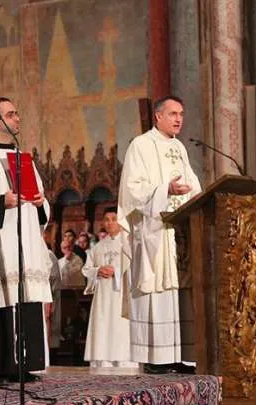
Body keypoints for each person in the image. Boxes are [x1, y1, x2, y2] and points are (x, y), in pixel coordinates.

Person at [0, 97, 53, 384]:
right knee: (0, 300)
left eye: (17, 114)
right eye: (11, 114)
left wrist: (40, 203)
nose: (18, 119)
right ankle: (0, 367)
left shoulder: (22, 157)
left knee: (26, 297)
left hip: (25, 241)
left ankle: (26, 363)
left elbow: (41, 204)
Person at [117, 95, 201, 374]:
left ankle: (181, 355)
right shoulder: (140, 145)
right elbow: (132, 189)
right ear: (158, 116)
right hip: (155, 233)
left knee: (179, 294)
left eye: (182, 114)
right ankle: (156, 358)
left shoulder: (179, 148)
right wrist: (165, 190)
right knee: (158, 292)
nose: (179, 119)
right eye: (173, 113)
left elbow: (193, 186)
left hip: (181, 233)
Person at [82, 207, 137, 368]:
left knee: (120, 326)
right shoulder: (98, 247)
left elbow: (136, 267)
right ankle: (102, 360)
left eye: (113, 219)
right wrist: (98, 270)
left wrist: (117, 272)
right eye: (106, 219)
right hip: (103, 296)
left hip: (122, 294)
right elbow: (86, 269)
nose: (110, 222)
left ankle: (125, 362)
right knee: (103, 326)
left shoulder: (129, 244)